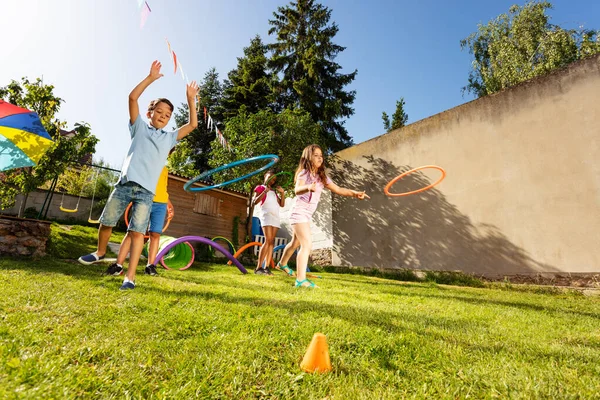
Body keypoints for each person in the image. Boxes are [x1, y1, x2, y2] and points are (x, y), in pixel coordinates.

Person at [78, 60, 198, 290]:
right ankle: (101, 252)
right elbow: (132, 98)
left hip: (146, 193)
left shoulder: (169, 138)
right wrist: (151, 78)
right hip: (124, 184)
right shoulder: (139, 127)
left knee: (136, 234)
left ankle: (130, 276)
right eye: (159, 111)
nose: (163, 115)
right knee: (106, 222)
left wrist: (190, 99)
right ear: (150, 113)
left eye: (168, 114)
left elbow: (192, 125)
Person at [276, 144, 370, 288]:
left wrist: (354, 193)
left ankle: (282, 264)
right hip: (299, 212)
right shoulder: (304, 174)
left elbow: (338, 189)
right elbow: (297, 190)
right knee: (306, 244)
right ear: (308, 157)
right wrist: (308, 187)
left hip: (306, 214)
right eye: (316, 155)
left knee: (296, 243)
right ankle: (301, 280)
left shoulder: (321, 177)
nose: (320, 158)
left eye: (321, 155)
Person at [104, 165, 174, 277]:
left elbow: (162, 188)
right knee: (132, 232)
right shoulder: (147, 163)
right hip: (145, 200)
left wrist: (168, 203)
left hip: (161, 203)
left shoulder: (165, 169)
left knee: (155, 234)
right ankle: (118, 265)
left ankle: (150, 266)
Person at [252, 170, 286, 275]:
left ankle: (266, 267)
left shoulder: (274, 191)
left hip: (275, 217)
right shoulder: (260, 187)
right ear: (265, 175)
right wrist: (264, 191)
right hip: (266, 215)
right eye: (271, 177)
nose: (272, 180)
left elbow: (282, 204)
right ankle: (258, 268)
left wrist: (282, 193)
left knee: (271, 242)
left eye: (274, 179)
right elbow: (255, 201)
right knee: (267, 240)